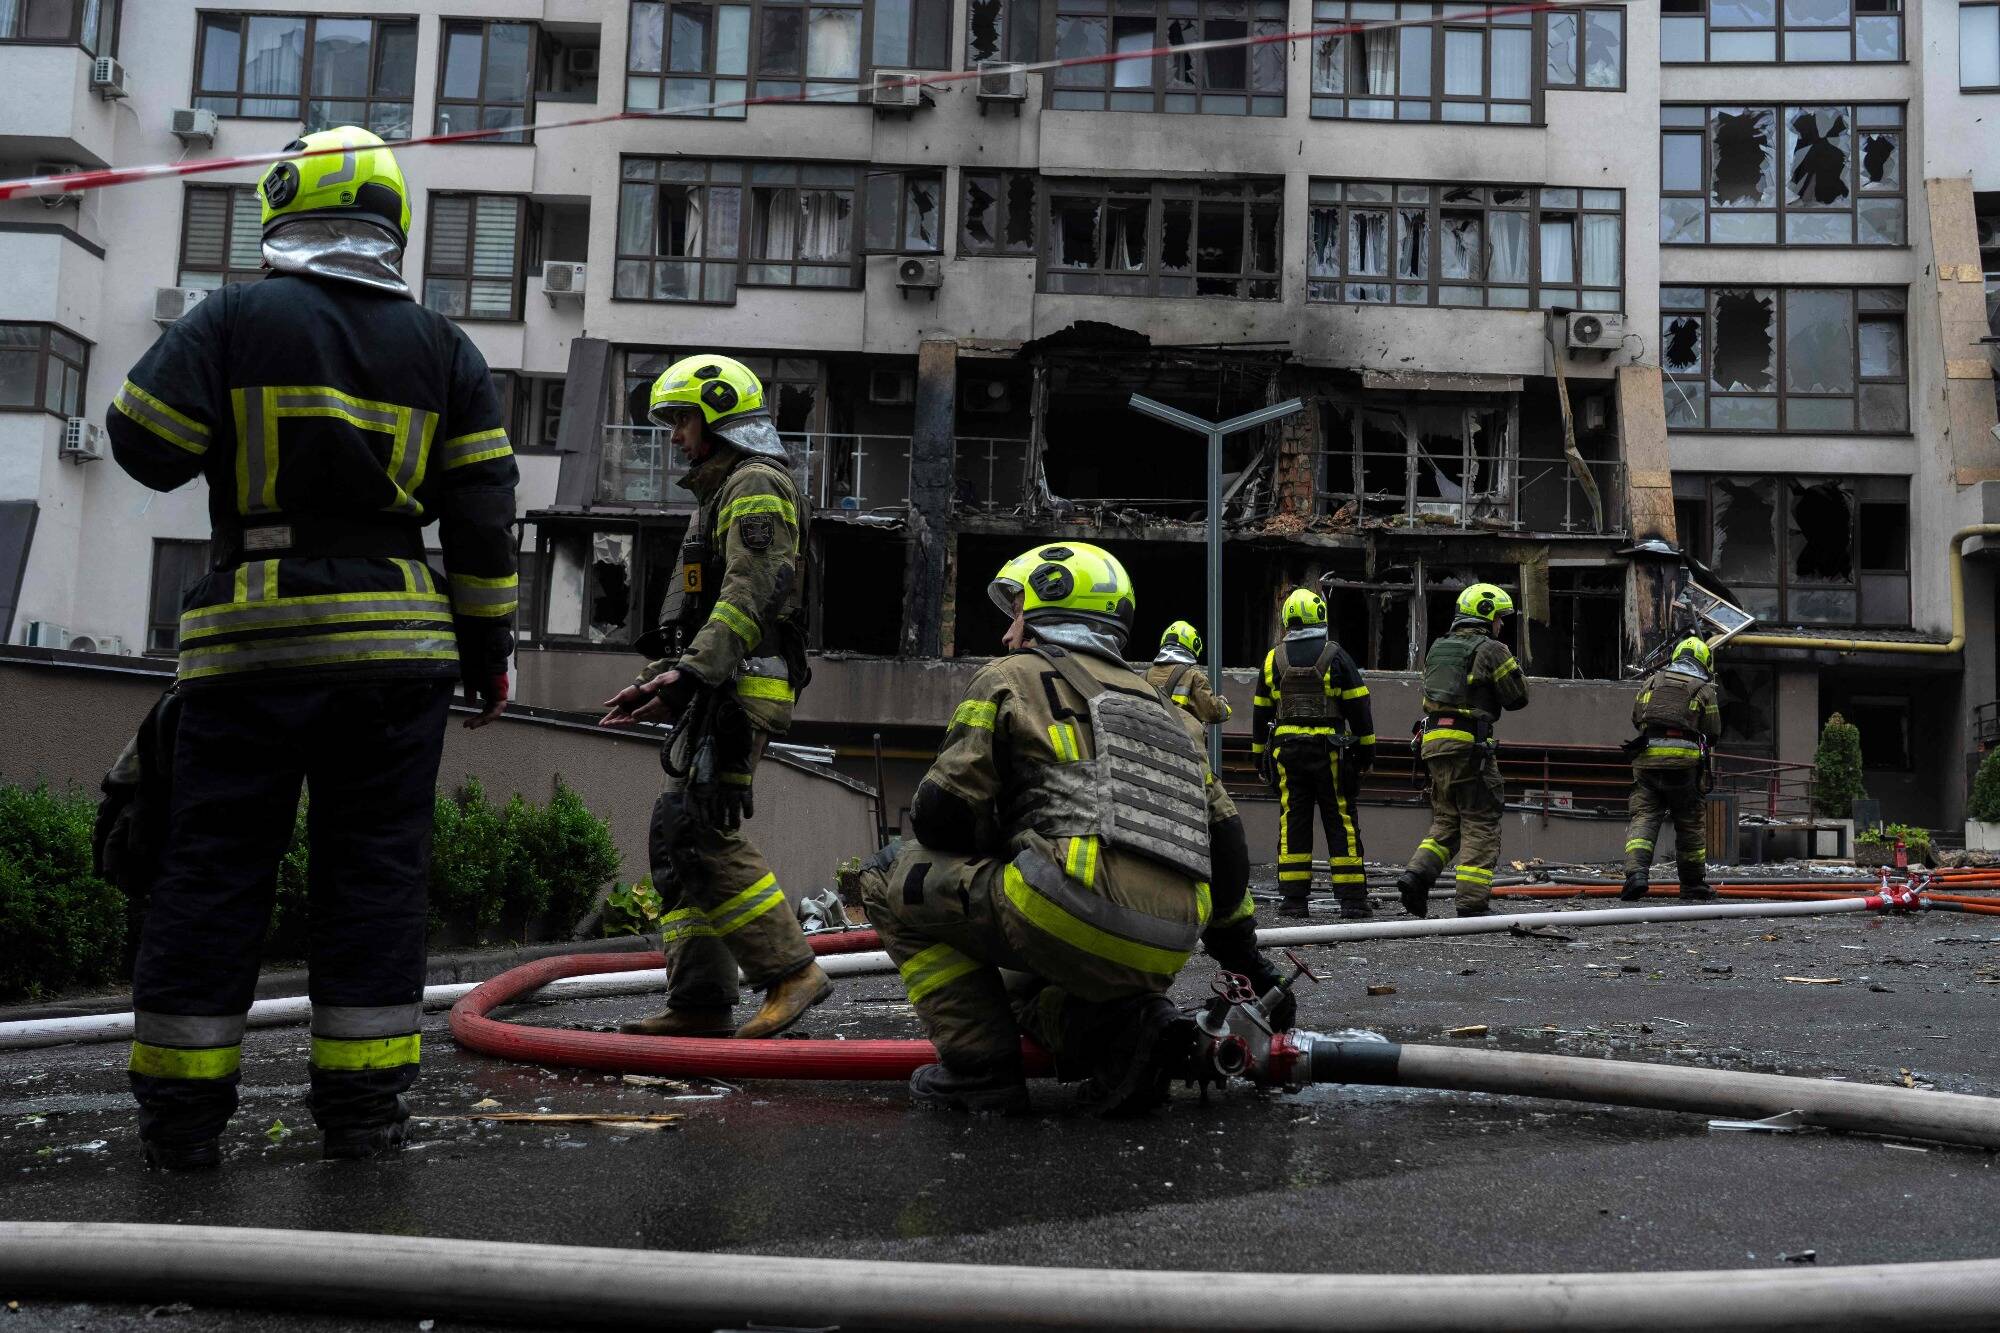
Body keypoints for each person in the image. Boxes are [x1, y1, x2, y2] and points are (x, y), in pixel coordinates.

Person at [106, 127, 517, 1169]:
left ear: (281, 209)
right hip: (397, 658)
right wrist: (488, 654)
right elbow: (482, 523)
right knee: (374, 881)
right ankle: (363, 1116)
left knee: (211, 877)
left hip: (250, 653)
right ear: (392, 220)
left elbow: (143, 445)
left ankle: (182, 1125)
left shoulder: (233, 317)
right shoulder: (447, 349)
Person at [850, 542, 1283, 1115]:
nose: (1008, 634)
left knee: (888, 873)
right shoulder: (1169, 713)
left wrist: (1005, 838)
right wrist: (1247, 964)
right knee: (1019, 992)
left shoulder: (1009, 677)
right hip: (1167, 945)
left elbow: (939, 816)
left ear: (1047, 611)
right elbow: (1227, 847)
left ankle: (980, 1069)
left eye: (1017, 615)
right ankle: (1132, 1033)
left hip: (1065, 910)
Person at [600, 354, 830, 1040]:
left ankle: (791, 972)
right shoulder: (721, 490)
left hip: (740, 688)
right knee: (677, 832)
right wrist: (662, 680)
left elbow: (751, 593)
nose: (674, 436)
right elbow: (705, 615)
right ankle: (699, 999)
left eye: (682, 420)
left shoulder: (755, 483)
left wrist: (692, 676)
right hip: (717, 684)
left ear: (719, 417)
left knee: (700, 827)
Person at [1393, 584, 1528, 919]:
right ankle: (1472, 904)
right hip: (1469, 747)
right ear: (1485, 615)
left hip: (1434, 744)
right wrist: (1509, 663)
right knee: (1481, 821)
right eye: (1499, 618)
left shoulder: (1438, 647)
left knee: (1447, 819)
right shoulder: (1491, 649)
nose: (1501, 624)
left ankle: (1416, 876)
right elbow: (1517, 698)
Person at [1251, 589, 1376, 919]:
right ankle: (1352, 901)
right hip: (1329, 753)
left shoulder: (1273, 659)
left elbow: (1261, 711)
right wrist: (1366, 752)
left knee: (1293, 820)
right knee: (1340, 820)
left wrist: (1258, 757)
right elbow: (1359, 706)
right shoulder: (1336, 655)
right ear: (1320, 616)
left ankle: (1293, 901)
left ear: (1286, 619)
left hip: (1287, 753)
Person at [1621, 636, 1722, 902]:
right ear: (1704, 662)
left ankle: (1636, 876)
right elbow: (1713, 732)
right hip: (1683, 767)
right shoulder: (1704, 689)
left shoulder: (1651, 681)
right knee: (1689, 823)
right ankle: (1692, 885)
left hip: (1646, 762)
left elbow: (1636, 718)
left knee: (1644, 817)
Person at [1145, 620, 1232, 725]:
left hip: (1147, 733)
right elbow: (1212, 712)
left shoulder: (1143, 676)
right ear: (1194, 645)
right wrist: (1223, 706)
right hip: (1179, 734)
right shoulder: (1193, 676)